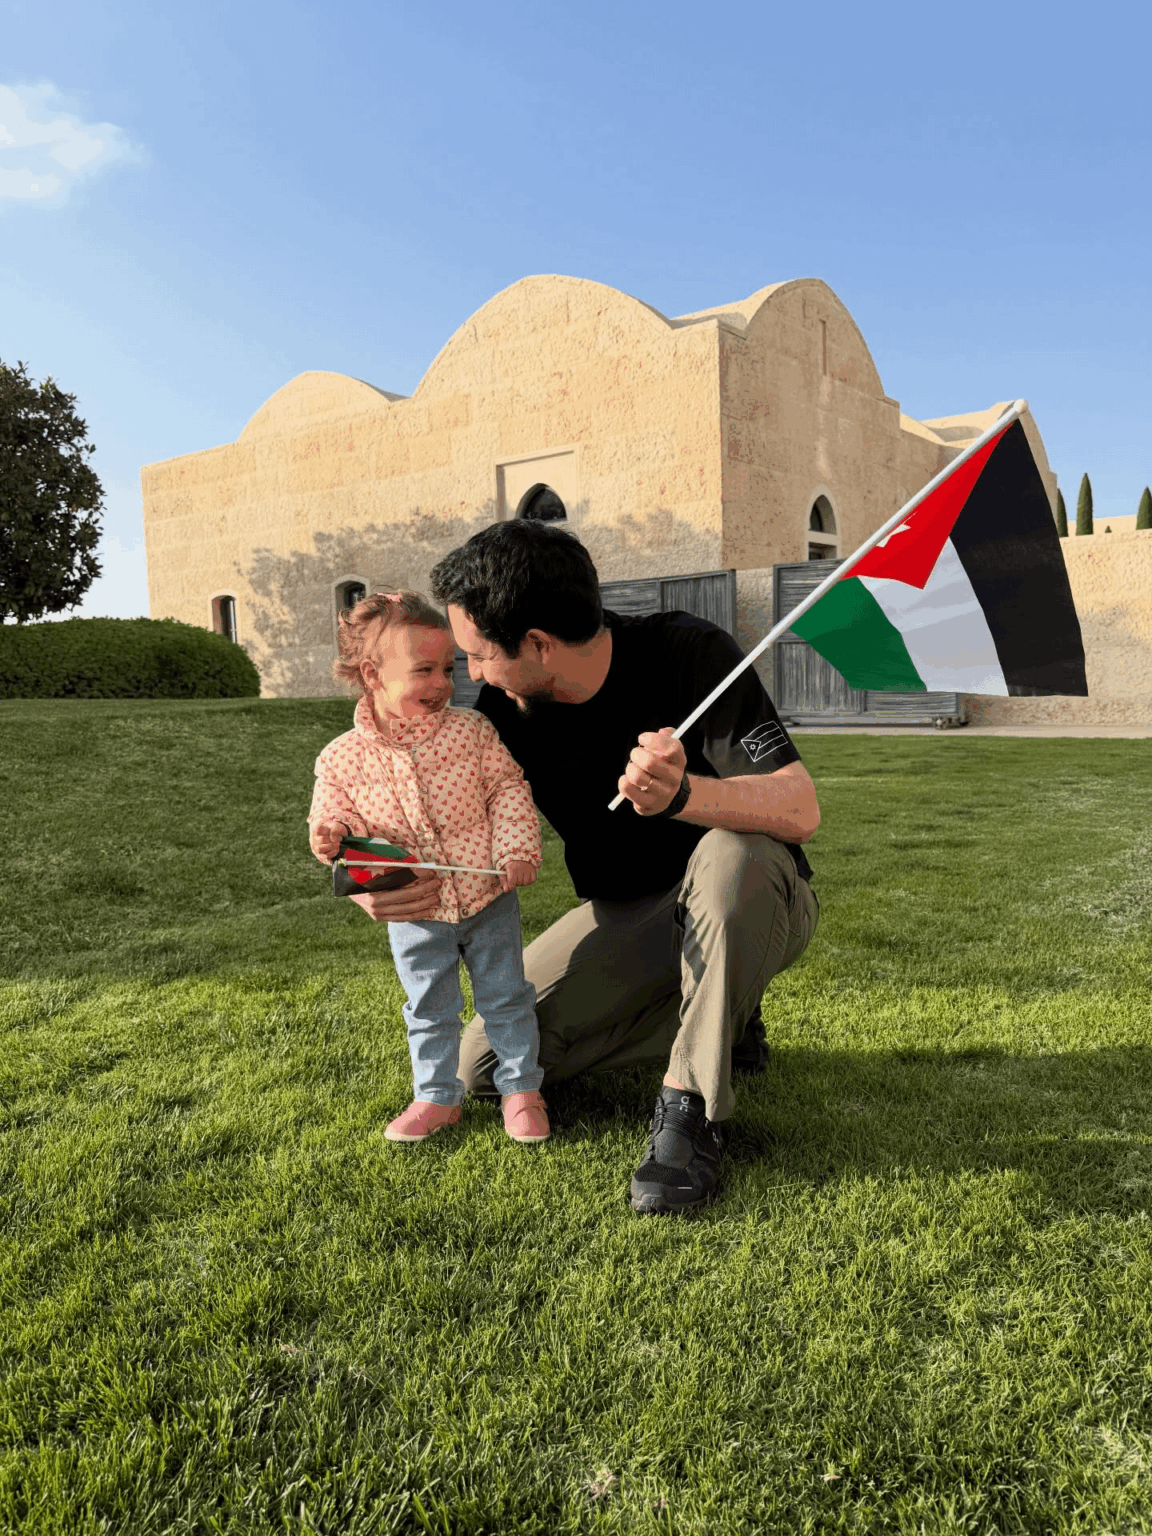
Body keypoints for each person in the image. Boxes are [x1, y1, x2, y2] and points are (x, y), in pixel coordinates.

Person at [355, 527, 820, 1214]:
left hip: (754, 894)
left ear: (539, 643)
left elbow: (799, 806)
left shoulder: (689, 652)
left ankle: (688, 1113)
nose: (472, 674)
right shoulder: (502, 714)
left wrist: (686, 794)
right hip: (633, 913)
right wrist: (380, 878)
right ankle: (725, 1017)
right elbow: (448, 828)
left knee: (728, 855)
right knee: (482, 1067)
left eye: (479, 656)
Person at [306, 590, 550, 1145]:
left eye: (449, 668)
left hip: (488, 901)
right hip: (414, 911)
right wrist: (328, 837)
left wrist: (516, 850)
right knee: (427, 1006)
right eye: (424, 670)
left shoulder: (472, 731)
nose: (444, 683)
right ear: (373, 674)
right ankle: (436, 1096)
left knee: (507, 995)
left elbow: (507, 789)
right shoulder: (342, 757)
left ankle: (521, 1090)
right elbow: (334, 814)